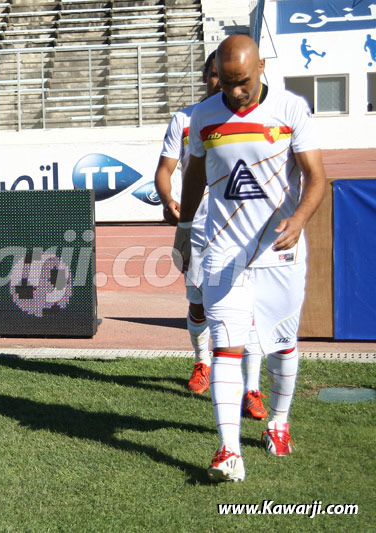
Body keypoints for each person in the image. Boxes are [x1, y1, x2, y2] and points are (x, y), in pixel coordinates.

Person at [174, 35, 326, 482]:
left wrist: (298, 220)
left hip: (278, 251)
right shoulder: (203, 116)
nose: (234, 92)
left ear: (261, 66)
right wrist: (184, 232)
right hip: (223, 252)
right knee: (226, 344)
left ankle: (278, 422)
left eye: (242, 82)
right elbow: (194, 176)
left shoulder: (291, 109)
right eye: (225, 82)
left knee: (281, 345)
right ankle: (228, 450)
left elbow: (316, 178)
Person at [156, 51, 267, 419]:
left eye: (230, 76)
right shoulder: (186, 120)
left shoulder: (257, 116)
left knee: (249, 309)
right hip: (200, 229)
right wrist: (168, 198)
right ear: (206, 77)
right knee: (199, 303)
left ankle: (252, 388)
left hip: (245, 229)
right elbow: (166, 169)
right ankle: (202, 363)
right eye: (216, 75)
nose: (222, 83)